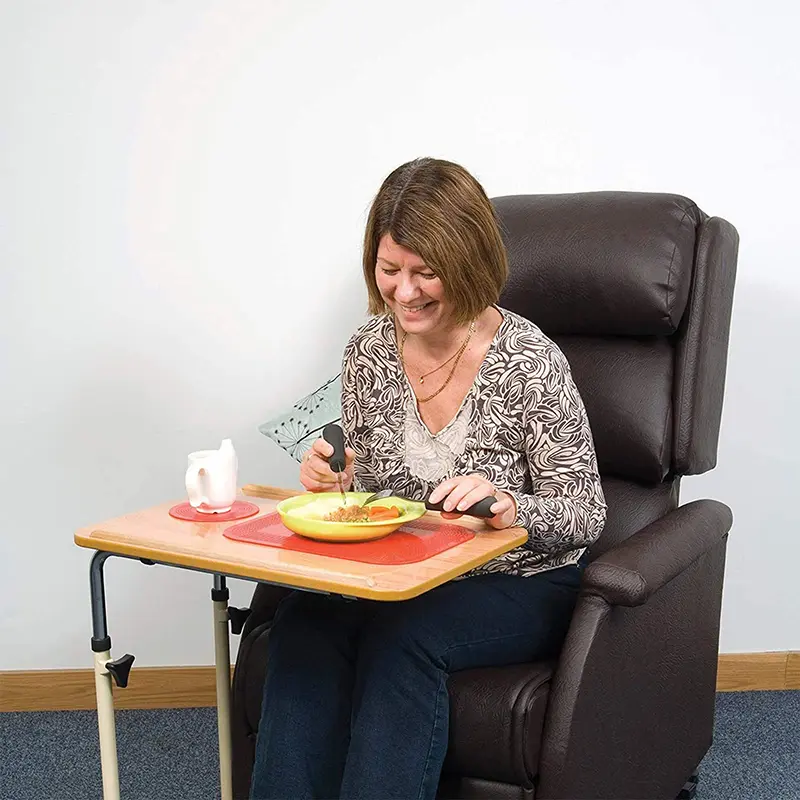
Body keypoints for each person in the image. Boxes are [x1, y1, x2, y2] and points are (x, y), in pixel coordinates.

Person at [250, 157, 607, 800]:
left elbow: (585, 510)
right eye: (390, 271)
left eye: (425, 272)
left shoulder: (529, 360)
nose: (404, 292)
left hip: (523, 577)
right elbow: (371, 485)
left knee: (406, 635)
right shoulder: (368, 353)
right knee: (304, 620)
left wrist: (508, 504)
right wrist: (335, 479)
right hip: (405, 572)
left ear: (467, 266)